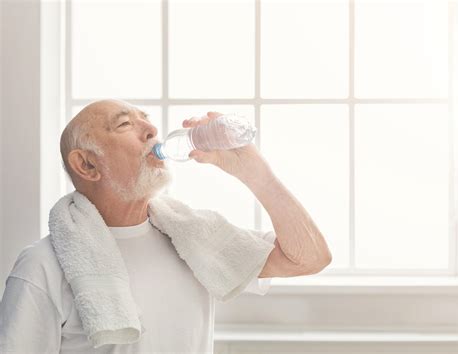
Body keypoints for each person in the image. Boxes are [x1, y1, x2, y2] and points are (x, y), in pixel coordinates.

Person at [0, 99, 332, 353]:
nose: (151, 131)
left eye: (147, 120)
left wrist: (253, 171)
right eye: (125, 124)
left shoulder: (193, 240)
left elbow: (310, 257)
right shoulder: (42, 267)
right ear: (86, 164)